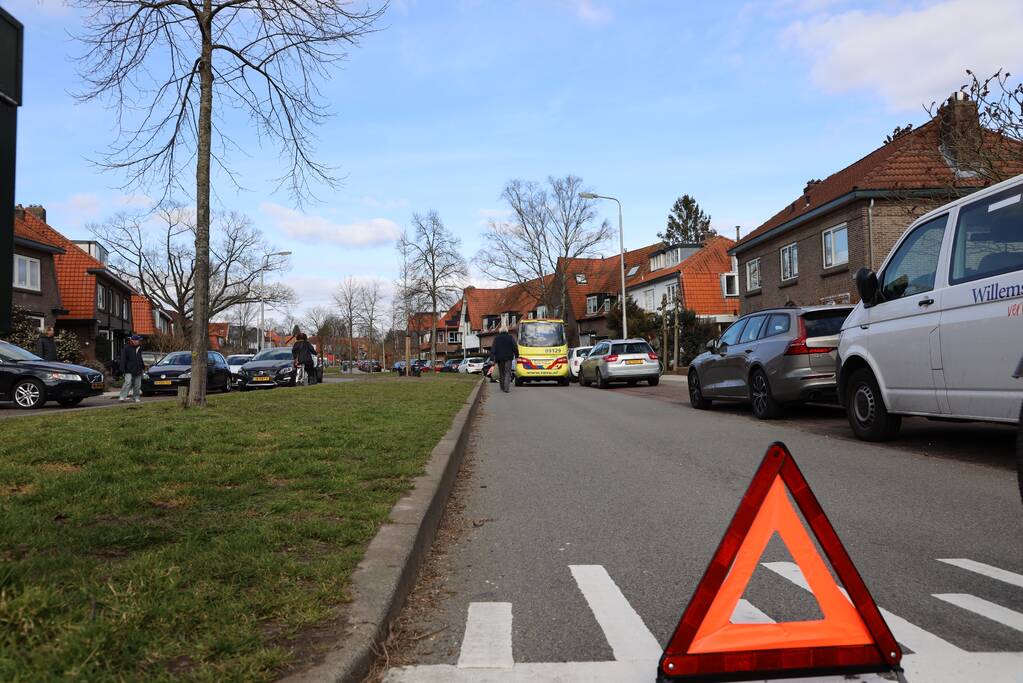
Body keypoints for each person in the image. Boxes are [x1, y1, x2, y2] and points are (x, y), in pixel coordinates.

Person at [489, 323, 518, 393]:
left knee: (501, 373)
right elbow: (515, 347)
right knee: (507, 372)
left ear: (500, 331)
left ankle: (502, 387)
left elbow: (493, 348)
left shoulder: (497, 338)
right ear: (507, 331)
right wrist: (517, 355)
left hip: (500, 358)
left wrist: (492, 358)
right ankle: (506, 388)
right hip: (508, 358)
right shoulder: (510, 337)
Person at [118, 334, 145, 403]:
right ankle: (122, 396)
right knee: (128, 382)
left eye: (138, 340)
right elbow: (123, 359)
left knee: (137, 385)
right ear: (132, 340)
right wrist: (122, 369)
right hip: (128, 369)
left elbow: (140, 358)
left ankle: (136, 397)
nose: (137, 341)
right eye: (135, 340)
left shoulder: (139, 348)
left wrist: (143, 366)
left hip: (138, 369)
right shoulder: (126, 348)